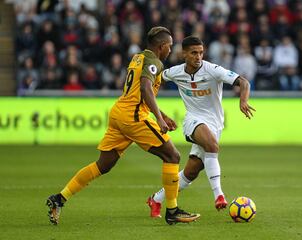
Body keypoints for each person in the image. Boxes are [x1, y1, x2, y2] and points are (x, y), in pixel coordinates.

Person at [46, 27, 200, 225]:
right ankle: (172, 210)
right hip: (133, 117)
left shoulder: (138, 57)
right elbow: (145, 88)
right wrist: (159, 119)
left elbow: (139, 90)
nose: (171, 50)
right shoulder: (155, 62)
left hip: (119, 113)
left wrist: (162, 114)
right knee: (173, 156)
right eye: (169, 46)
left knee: (103, 165)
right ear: (161, 47)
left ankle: (59, 198)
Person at [147, 36, 255, 218]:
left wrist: (243, 100)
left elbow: (244, 82)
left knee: (191, 172)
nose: (198, 57)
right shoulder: (174, 72)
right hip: (193, 120)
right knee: (212, 146)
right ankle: (219, 195)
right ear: (184, 54)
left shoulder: (213, 70)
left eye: (201, 52)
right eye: (194, 53)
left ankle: (156, 199)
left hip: (215, 124)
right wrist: (159, 112)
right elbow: (152, 82)